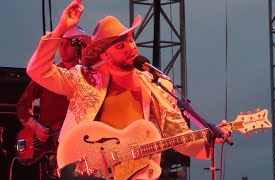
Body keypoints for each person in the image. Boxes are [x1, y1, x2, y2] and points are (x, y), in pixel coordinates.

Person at [26, 1, 232, 179]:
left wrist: (211, 140)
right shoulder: (84, 78)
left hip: (137, 173)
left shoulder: (157, 85)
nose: (130, 47)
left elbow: (178, 136)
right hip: (87, 171)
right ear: (105, 55)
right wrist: (61, 29)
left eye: (130, 40)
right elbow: (37, 70)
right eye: (120, 46)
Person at [16, 24, 91, 180]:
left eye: (67, 43)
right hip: (52, 151)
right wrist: (34, 126)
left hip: (81, 149)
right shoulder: (48, 75)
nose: (62, 47)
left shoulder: (90, 78)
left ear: (79, 46)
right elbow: (22, 105)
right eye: (60, 43)